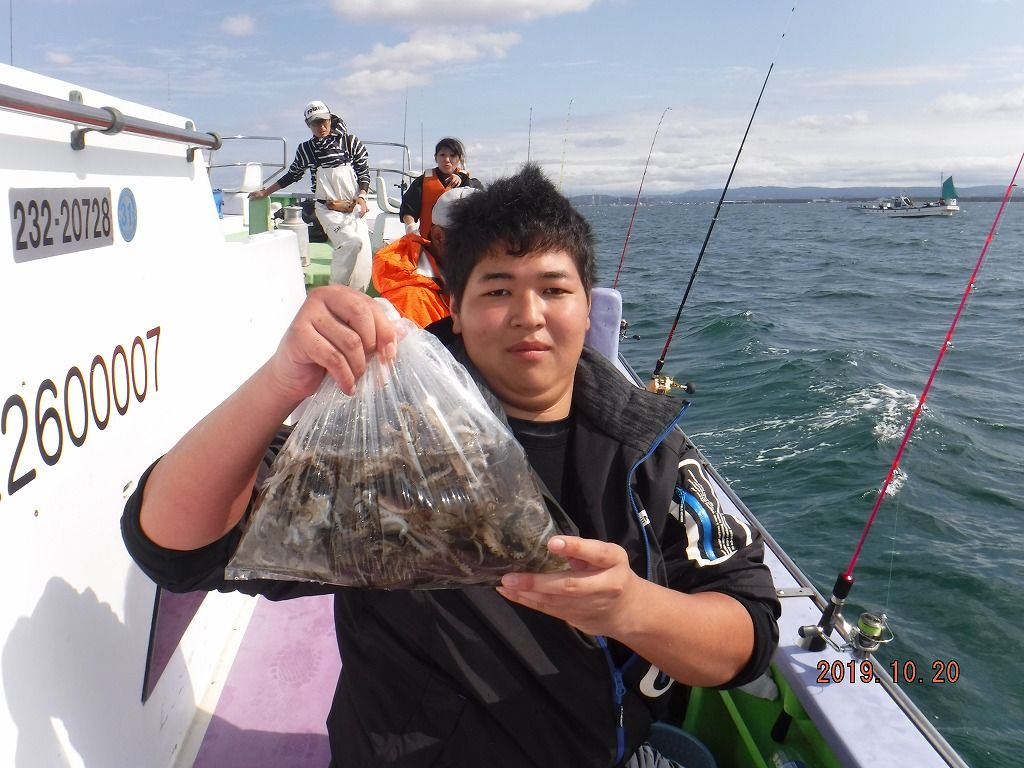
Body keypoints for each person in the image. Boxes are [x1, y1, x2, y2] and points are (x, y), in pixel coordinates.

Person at [121, 164, 780, 767]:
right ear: (455, 310)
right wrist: (281, 381)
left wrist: (631, 606)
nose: (529, 315)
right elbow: (175, 548)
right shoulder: (388, 432)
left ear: (588, 306)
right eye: (498, 289)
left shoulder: (647, 449)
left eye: (555, 289)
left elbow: (747, 634)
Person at [249, 100, 373, 290]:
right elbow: (293, 174)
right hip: (328, 209)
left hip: (354, 209)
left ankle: (356, 297)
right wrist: (265, 192)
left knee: (364, 265)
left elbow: (364, 172)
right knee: (351, 243)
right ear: (309, 125)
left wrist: (362, 197)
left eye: (324, 121)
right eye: (315, 123)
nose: (321, 127)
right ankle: (334, 290)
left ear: (330, 119)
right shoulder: (306, 149)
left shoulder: (350, 142)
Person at [371, 186, 478, 327]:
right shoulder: (412, 300)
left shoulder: (465, 275)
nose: (489, 248)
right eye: (476, 238)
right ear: (439, 237)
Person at [399, 136, 484, 237]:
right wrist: (411, 226)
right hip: (428, 242)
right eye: (442, 155)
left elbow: (481, 198)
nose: (447, 160)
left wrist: (462, 177)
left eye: (452, 155)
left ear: (460, 158)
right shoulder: (422, 182)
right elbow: (407, 207)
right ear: (436, 157)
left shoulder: (468, 183)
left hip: (459, 242)